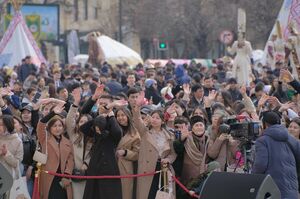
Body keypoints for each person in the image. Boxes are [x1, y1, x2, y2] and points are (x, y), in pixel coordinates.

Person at [80, 86, 123, 199]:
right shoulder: (95, 117)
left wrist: (111, 114)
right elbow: (83, 123)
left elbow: (117, 134)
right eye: (101, 103)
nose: (103, 105)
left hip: (109, 164)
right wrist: (94, 98)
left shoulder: (114, 119)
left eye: (106, 103)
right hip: (95, 163)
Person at [132, 105, 177, 199]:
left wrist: (168, 159)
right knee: (148, 195)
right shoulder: (145, 132)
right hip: (147, 169)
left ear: (162, 121)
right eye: (153, 117)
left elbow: (173, 153)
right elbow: (137, 122)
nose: (154, 120)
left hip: (163, 169)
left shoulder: (169, 135)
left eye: (157, 118)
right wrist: (136, 110)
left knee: (162, 195)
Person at [252, 111, 300, 199]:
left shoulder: (262, 141)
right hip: (292, 191)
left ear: (265, 124)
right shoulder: (293, 140)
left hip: (272, 191)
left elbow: (260, 165)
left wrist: (252, 178)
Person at [37, 102, 74, 199]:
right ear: (49, 128)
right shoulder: (45, 138)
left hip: (63, 179)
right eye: (54, 126)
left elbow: (70, 160)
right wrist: (53, 113)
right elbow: (41, 125)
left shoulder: (67, 142)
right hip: (49, 177)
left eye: (60, 126)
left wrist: (67, 175)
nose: (58, 128)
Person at [65, 88, 93, 199]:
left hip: (88, 174)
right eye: (81, 121)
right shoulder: (74, 135)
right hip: (75, 175)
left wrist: (86, 163)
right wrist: (75, 103)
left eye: (86, 122)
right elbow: (69, 121)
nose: (83, 124)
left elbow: (94, 154)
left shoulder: (93, 138)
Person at [115, 107, 141, 199]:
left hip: (125, 167)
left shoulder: (135, 134)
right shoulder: (113, 130)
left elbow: (137, 154)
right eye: (118, 115)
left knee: (125, 194)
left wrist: (125, 152)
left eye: (123, 115)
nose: (120, 117)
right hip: (111, 165)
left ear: (128, 116)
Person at [0, 115, 23, 199]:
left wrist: (6, 154)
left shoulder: (17, 141)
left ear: (8, 125)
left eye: (1, 125)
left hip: (8, 178)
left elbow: (17, 163)